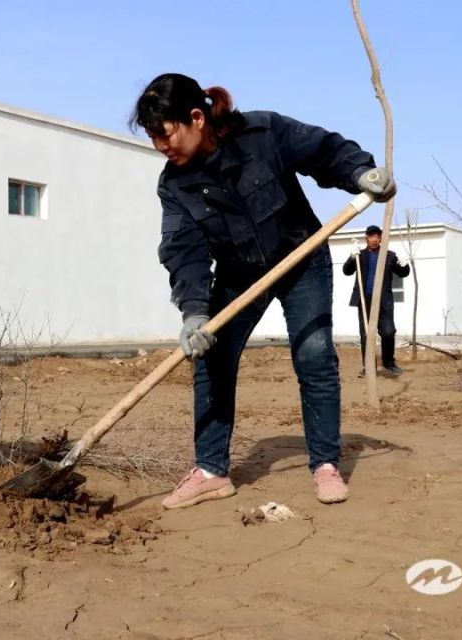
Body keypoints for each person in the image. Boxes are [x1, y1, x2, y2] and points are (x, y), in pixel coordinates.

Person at [130, 73, 395, 509]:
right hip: (239, 272)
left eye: (164, 133)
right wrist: (194, 312)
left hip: (300, 258)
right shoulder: (174, 184)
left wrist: (361, 172)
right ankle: (212, 470)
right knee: (210, 354)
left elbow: (323, 151)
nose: (160, 145)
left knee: (313, 356)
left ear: (196, 118)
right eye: (152, 136)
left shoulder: (262, 133)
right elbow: (184, 249)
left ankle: (325, 464)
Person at [342, 225, 410, 376]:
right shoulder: (360, 255)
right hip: (365, 299)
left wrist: (405, 265)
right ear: (366, 238)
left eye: (377, 236)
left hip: (383, 300)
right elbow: (346, 271)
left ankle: (389, 363)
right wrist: (351, 258)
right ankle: (368, 367)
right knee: (366, 335)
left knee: (388, 332)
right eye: (371, 236)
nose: (374, 239)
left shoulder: (389, 256)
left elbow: (402, 273)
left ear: (381, 238)